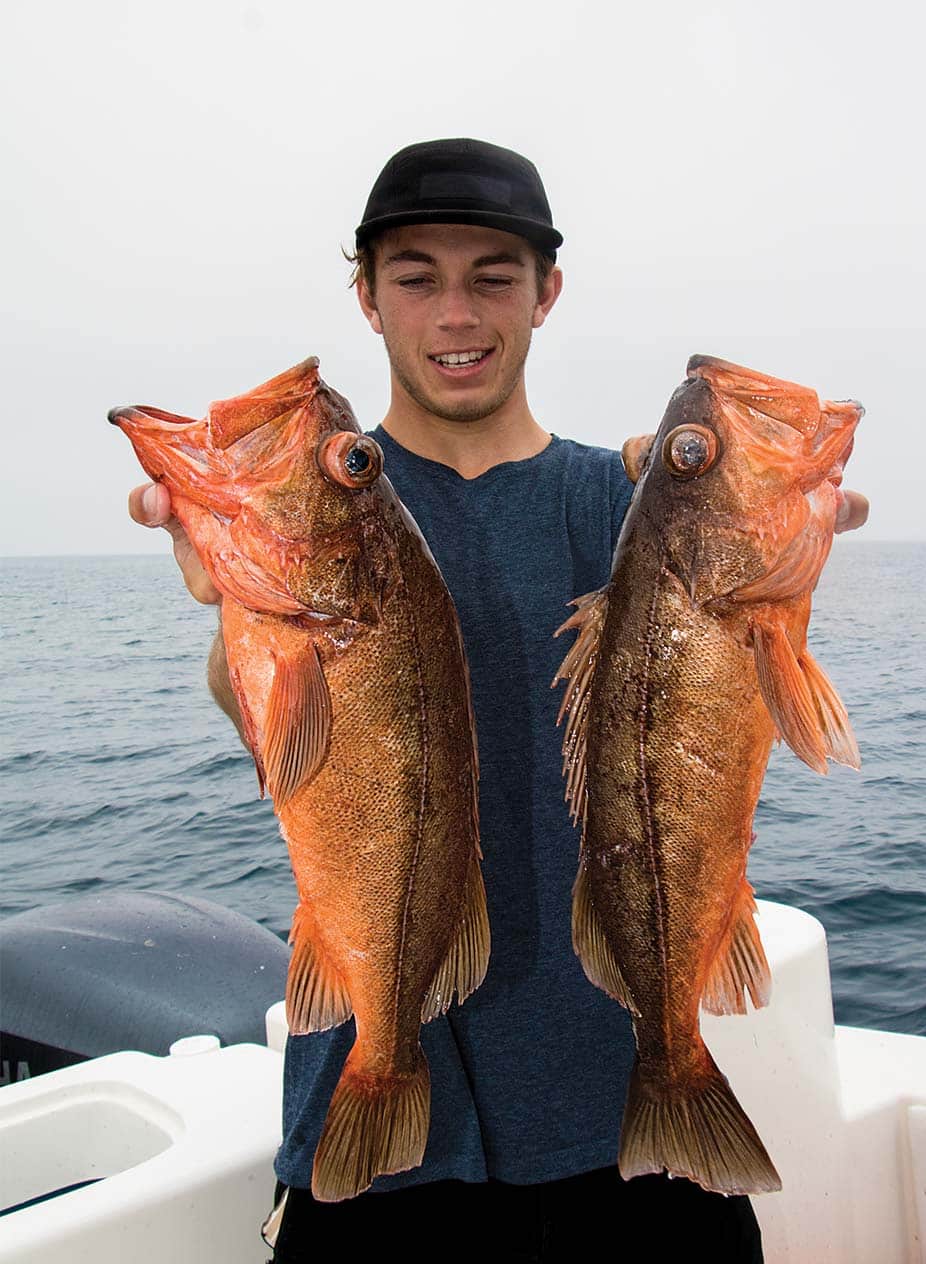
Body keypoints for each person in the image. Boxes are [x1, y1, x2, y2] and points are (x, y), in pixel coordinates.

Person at [128, 138, 870, 1263]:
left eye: (493, 275)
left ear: (546, 293)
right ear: (366, 299)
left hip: (621, 1129)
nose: (455, 311)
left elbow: (716, 725)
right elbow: (287, 742)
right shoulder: (318, 500)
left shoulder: (628, 504)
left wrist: (790, 549)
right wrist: (234, 622)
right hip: (378, 1147)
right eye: (416, 274)